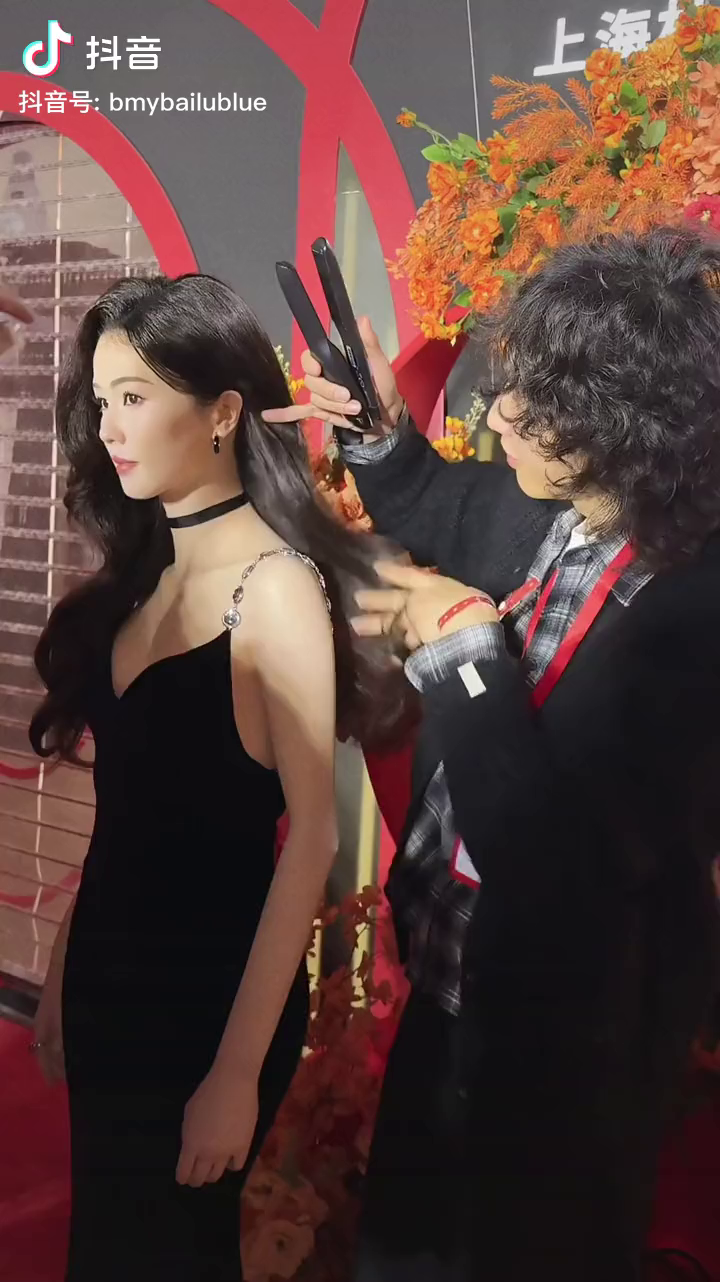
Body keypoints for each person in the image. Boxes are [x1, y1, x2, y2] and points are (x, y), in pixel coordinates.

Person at [264, 226, 720, 1282]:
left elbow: (552, 869)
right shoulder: (557, 509)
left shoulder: (694, 619)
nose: (500, 414)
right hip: (451, 999)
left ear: (626, 429)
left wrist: (464, 649)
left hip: (569, 1055)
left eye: (537, 405)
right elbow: (442, 500)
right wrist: (377, 431)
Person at [28, 273, 409, 1282]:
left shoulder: (274, 588)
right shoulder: (140, 581)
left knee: (172, 1254)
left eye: (135, 397)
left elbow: (314, 840)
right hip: (110, 980)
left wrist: (238, 1071)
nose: (110, 427)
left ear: (223, 412)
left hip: (207, 1001)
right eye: (101, 400)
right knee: (104, 1246)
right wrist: (64, 966)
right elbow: (125, 819)